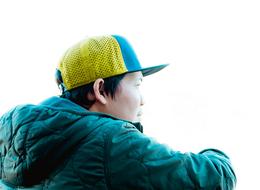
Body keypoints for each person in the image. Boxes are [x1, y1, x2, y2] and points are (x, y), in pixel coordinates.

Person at [0, 35, 237, 189]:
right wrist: (218, 154)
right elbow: (215, 177)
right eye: (137, 85)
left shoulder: (16, 142)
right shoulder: (111, 141)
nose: (142, 100)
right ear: (100, 89)